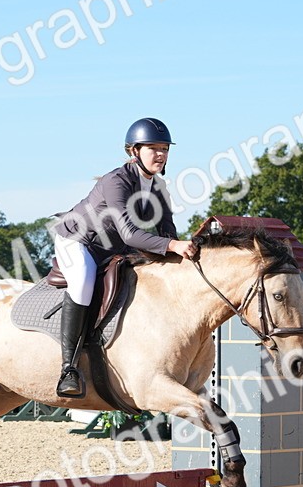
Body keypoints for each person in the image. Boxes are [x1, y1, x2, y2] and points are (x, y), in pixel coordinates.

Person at [48, 117, 196, 398]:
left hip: (113, 248)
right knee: (83, 280)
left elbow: (167, 231)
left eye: (165, 148)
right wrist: (173, 245)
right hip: (78, 241)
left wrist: (185, 255)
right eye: (153, 148)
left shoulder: (159, 187)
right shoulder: (116, 181)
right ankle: (68, 368)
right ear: (133, 151)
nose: (161, 154)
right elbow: (130, 234)